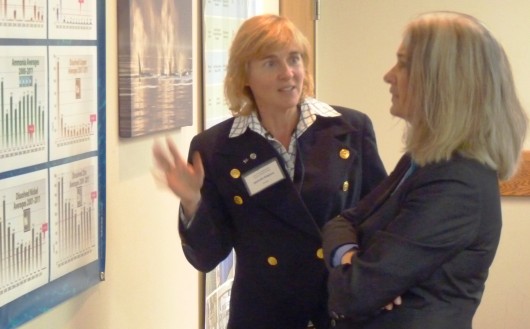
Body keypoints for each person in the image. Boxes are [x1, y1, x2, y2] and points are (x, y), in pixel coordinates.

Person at [152, 14, 387, 329]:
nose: (288, 73)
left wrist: (384, 282)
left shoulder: (350, 128)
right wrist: (192, 201)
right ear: (244, 75)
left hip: (340, 310)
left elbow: (381, 220)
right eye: (270, 63)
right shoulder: (216, 148)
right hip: (263, 314)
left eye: (294, 59)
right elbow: (207, 257)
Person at [322, 11, 528, 329]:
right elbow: (342, 221)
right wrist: (351, 258)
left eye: (403, 63)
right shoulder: (425, 160)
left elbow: (354, 294)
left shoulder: (458, 184)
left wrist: (360, 276)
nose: (389, 75)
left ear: (442, 80)